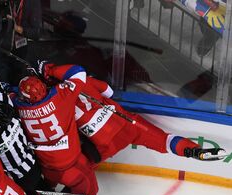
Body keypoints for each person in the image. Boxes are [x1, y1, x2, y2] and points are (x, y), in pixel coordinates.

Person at [13, 63, 114, 195]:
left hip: (45, 166)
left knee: (50, 186)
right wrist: (48, 69)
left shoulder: (18, 105)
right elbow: (78, 72)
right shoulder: (60, 95)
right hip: (73, 167)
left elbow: (12, 92)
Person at [34, 61, 229, 163]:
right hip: (126, 124)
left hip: (102, 143)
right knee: (165, 140)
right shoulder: (83, 80)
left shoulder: (53, 103)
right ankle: (193, 150)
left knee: (80, 169)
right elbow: (108, 91)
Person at [0, 0, 42, 84]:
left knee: (15, 84)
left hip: (18, 51)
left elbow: (36, 33)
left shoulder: (32, 2)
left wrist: (16, 27)